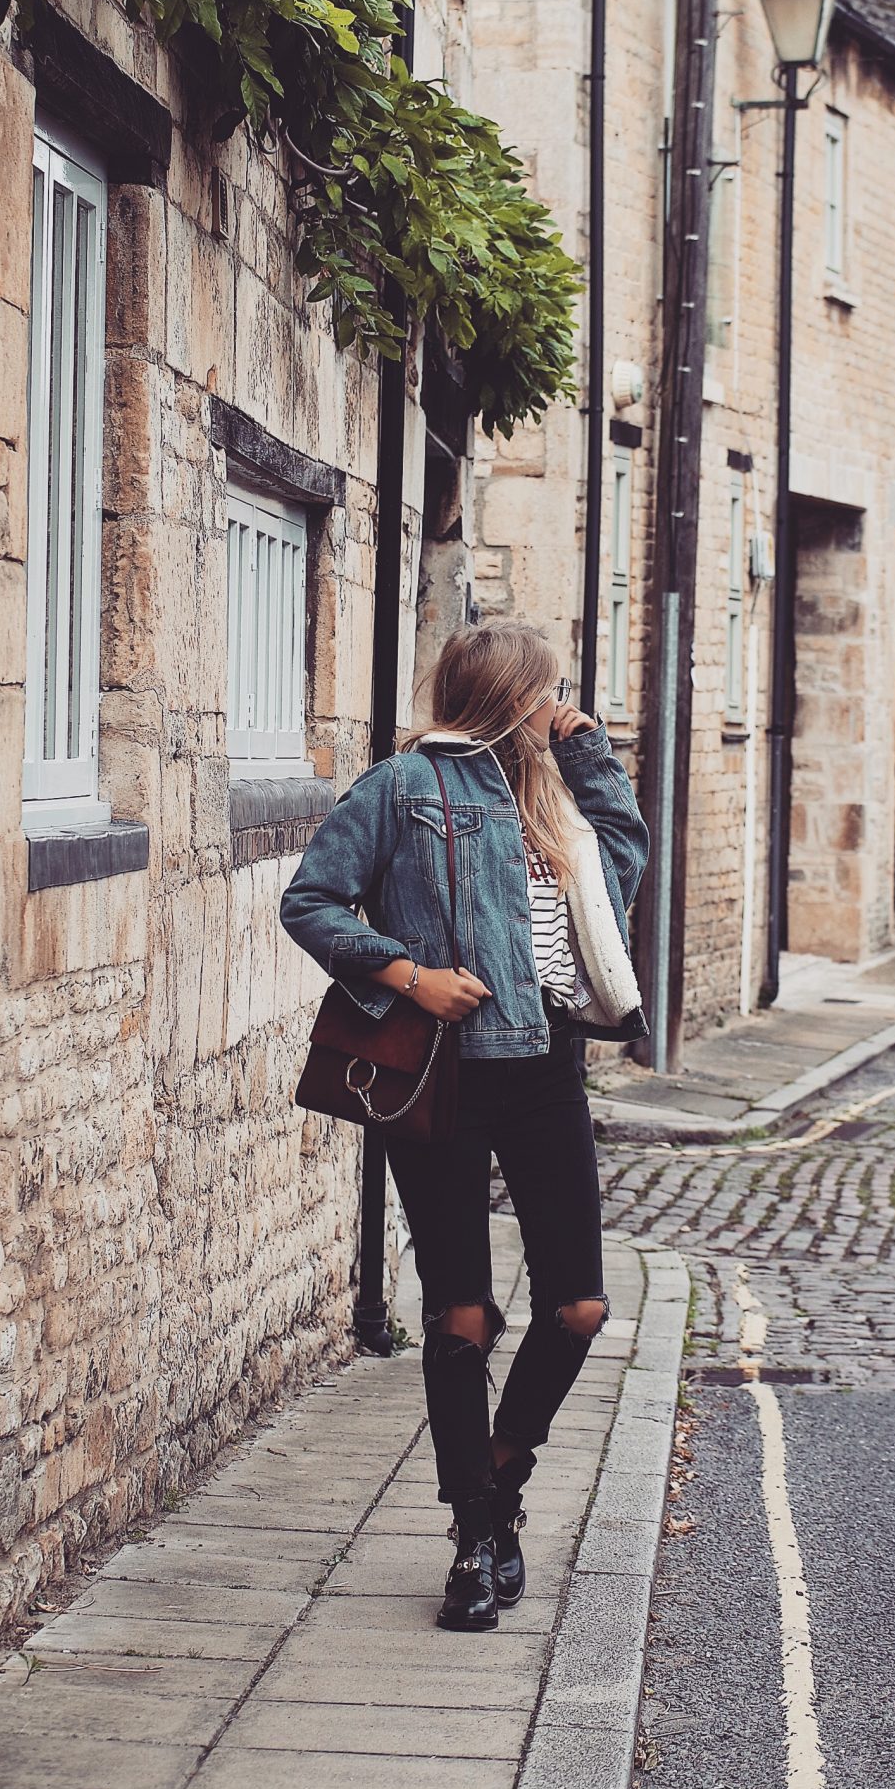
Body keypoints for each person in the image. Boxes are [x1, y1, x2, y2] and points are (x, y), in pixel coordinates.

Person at [281, 622, 650, 1630]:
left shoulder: (555, 796)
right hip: (444, 1075)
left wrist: (589, 751)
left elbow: (620, 871)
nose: (558, 702)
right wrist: (409, 975)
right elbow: (311, 901)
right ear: (507, 695)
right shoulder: (400, 788)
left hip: (546, 1070)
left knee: (576, 1307)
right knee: (463, 1316)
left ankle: (498, 1468)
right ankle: (476, 1540)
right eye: (549, 691)